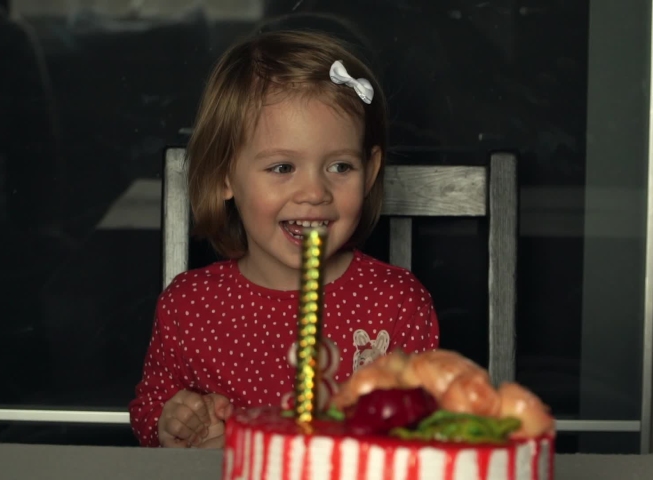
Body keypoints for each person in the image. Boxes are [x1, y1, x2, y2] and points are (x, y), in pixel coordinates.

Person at [128, 30, 440, 448]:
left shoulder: (398, 304)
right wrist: (176, 422)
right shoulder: (189, 306)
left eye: (340, 167)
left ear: (370, 171)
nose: (314, 193)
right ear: (224, 175)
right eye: (282, 168)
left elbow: (428, 438)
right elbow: (151, 407)